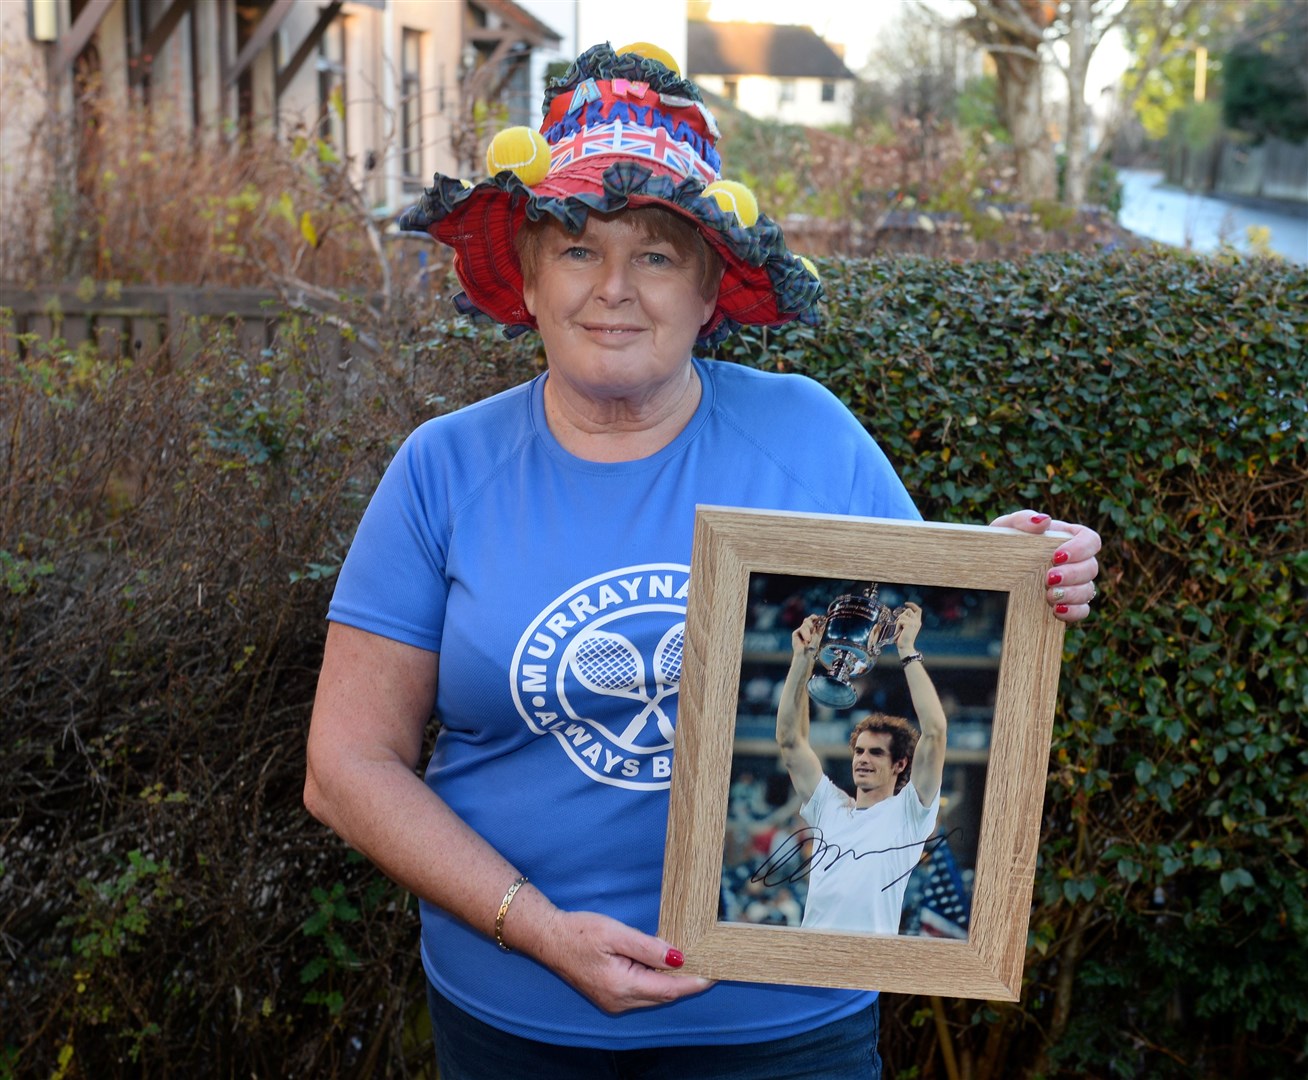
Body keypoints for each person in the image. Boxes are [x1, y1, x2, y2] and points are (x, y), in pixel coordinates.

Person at [303, 42, 1102, 1080]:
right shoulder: (442, 470)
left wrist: (1012, 577)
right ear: (531, 281)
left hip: (784, 1027)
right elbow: (345, 768)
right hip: (518, 1021)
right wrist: (536, 927)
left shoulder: (810, 436)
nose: (615, 290)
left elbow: (915, 662)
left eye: (658, 253)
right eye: (579, 249)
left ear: (710, 287)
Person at [776, 604, 945, 933]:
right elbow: (789, 741)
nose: (863, 759)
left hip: (864, 969)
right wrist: (803, 658)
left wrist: (907, 651)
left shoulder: (911, 812)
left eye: (876, 753)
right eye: (859, 751)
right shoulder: (829, 805)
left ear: (900, 764)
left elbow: (935, 732)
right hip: (806, 962)